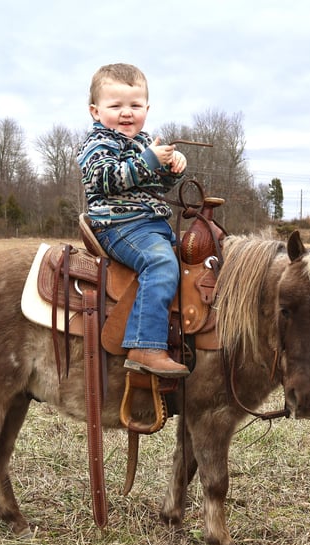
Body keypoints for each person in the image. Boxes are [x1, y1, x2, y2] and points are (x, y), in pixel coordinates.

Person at [76, 63, 189, 378]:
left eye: (135, 105)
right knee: (161, 265)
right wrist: (149, 160)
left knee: (195, 264)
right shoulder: (97, 145)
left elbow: (153, 186)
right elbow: (108, 179)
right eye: (116, 106)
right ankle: (145, 345)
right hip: (117, 226)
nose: (127, 113)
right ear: (95, 111)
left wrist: (170, 170)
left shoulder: (144, 142)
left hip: (151, 225)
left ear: (147, 109)